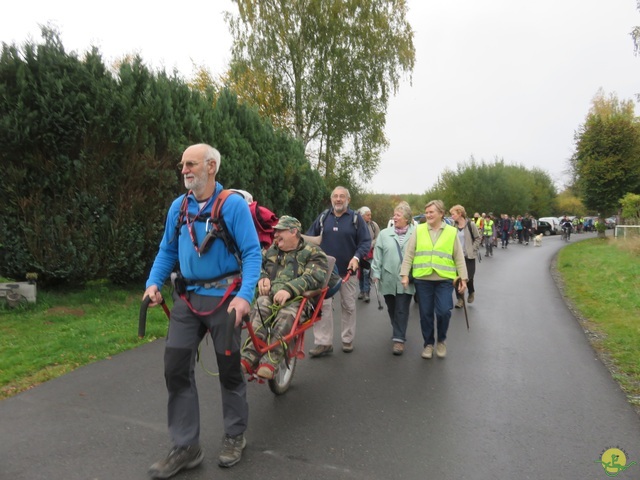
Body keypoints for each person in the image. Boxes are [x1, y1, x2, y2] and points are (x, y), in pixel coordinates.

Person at [143, 144, 262, 478]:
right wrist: (153, 282)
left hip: (226, 298)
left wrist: (245, 296)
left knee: (229, 369)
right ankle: (186, 446)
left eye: (191, 164)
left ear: (211, 166)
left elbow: (253, 254)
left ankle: (235, 435)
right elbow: (167, 250)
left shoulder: (233, 206)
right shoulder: (177, 208)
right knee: (176, 368)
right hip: (189, 299)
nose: (184, 170)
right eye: (182, 164)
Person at [241, 216, 329, 379]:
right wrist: (262, 277)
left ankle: (271, 361)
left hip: (299, 300)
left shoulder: (314, 252)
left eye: (280, 231)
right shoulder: (272, 250)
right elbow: (257, 263)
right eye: (275, 231)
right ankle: (249, 357)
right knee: (260, 306)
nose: (275, 235)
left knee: (286, 315)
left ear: (293, 231)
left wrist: (289, 289)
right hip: (271, 296)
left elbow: (316, 277)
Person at [306, 186, 371, 356]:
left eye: (342, 196)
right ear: (331, 199)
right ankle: (323, 342)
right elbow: (310, 238)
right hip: (325, 272)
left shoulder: (356, 219)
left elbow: (365, 242)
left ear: (348, 199)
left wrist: (356, 258)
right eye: (335, 196)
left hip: (347, 271)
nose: (338, 199)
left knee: (348, 305)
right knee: (322, 307)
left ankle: (347, 339)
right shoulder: (323, 217)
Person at [400, 200, 468, 360]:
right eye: (427, 212)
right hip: (423, 278)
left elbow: (458, 256)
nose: (428, 215)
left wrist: (464, 279)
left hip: (445, 279)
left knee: (444, 311)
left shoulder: (451, 232)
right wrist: (404, 274)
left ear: (441, 214)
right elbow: (409, 253)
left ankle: (441, 340)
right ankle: (428, 344)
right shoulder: (419, 230)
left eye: (431, 212)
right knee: (426, 314)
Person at [371, 202, 416, 355]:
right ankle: (398, 328)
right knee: (392, 308)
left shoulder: (416, 233)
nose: (394, 218)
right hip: (388, 277)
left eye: (398, 215)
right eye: (394, 215)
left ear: (407, 219)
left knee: (402, 309)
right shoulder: (384, 234)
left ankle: (398, 339)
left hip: (407, 278)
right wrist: (375, 273)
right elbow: (378, 255)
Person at [449, 205, 481, 307]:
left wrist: (472, 248)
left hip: (469, 257)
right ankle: (460, 299)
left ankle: (471, 291)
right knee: (458, 278)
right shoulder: (453, 226)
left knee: (468, 277)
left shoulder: (471, 225)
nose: (451, 216)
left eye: (453, 214)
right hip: (457, 257)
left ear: (460, 214)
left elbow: (477, 238)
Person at [357, 206, 380, 303]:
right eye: (367, 215)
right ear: (362, 216)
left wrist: (371, 244)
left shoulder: (373, 225)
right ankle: (362, 291)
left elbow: (378, 237)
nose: (370, 217)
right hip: (358, 253)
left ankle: (366, 292)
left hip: (369, 253)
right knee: (360, 273)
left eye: (370, 214)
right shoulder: (356, 224)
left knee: (367, 273)